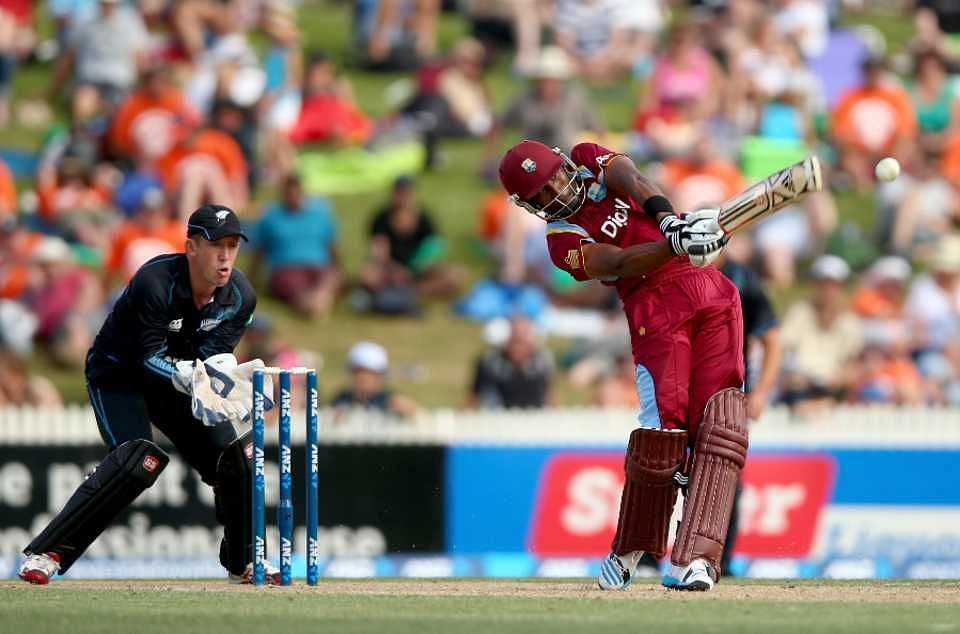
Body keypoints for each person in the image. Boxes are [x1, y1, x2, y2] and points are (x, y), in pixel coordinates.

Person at [498, 139, 742, 591]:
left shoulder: (589, 156)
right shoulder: (559, 242)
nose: (555, 189)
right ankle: (631, 547)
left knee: (721, 426)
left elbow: (631, 179)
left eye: (555, 175)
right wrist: (676, 244)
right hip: (655, 309)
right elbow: (620, 261)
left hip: (712, 291)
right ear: (528, 206)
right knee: (663, 435)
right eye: (541, 192)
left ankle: (698, 561)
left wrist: (670, 220)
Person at [17, 204, 281, 586]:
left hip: (174, 382)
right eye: (215, 245)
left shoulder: (240, 296)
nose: (225, 256)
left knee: (234, 459)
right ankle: (48, 553)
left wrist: (218, 385)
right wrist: (191, 376)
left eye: (232, 246)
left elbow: (210, 362)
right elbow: (147, 359)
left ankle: (243, 563)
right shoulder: (156, 281)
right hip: (118, 376)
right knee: (136, 460)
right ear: (191, 246)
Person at [252, 173, 341, 318]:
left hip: (318, 266)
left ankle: (319, 299)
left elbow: (332, 246)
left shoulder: (320, 214)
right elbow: (259, 251)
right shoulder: (271, 217)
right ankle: (313, 303)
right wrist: (252, 280)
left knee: (331, 277)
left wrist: (337, 267)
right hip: (287, 268)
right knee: (294, 287)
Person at [468, 317, 555, 409]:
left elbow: (547, 395)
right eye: (515, 341)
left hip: (534, 416)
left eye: (522, 341)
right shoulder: (490, 363)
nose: (518, 347)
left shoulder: (542, 362)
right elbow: (475, 395)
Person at [331, 341, 419, 419]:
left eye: (369, 373)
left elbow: (412, 410)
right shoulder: (342, 399)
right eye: (358, 372)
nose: (363, 378)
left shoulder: (389, 400)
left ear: (380, 376)